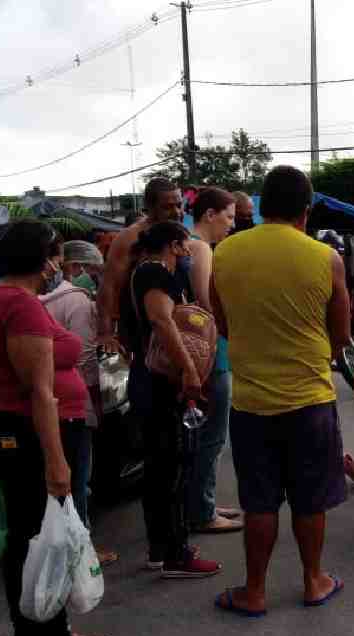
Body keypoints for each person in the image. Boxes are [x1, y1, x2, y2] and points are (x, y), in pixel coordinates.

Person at [211, 165, 352, 614]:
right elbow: (343, 335)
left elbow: (223, 323)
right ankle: (313, 580)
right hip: (310, 399)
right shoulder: (324, 258)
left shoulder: (225, 253)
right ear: (305, 212)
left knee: (259, 501)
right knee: (310, 499)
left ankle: (254, 591)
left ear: (259, 207)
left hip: (251, 402)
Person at [0, 221, 110, 636]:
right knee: (42, 538)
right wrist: (56, 462)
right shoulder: (20, 307)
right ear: (41, 259)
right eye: (54, 255)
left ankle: (32, 632)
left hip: (9, 426)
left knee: (26, 535)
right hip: (29, 431)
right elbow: (39, 393)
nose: (57, 265)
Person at [120, 221, 224, 579]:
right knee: (171, 468)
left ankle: (160, 549)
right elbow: (162, 323)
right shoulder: (154, 273)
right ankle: (175, 554)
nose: (189, 256)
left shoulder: (143, 271)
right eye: (186, 248)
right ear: (177, 247)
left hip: (152, 380)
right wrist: (190, 371)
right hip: (160, 382)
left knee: (161, 469)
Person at [41, 241, 118, 566]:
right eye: (96, 272)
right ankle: (81, 548)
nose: (98, 280)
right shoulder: (77, 301)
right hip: (73, 401)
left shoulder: (42, 300)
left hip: (49, 399)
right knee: (78, 477)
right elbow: (85, 357)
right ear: (77, 268)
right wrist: (93, 402)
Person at [185, 187, 243, 535]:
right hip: (210, 354)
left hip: (203, 354)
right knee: (212, 436)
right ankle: (202, 511)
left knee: (205, 436)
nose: (232, 225)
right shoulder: (201, 247)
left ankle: (202, 502)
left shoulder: (189, 245)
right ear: (209, 215)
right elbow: (205, 303)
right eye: (229, 216)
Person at [97, 177, 184, 353]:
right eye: (167, 207)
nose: (176, 212)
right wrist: (106, 334)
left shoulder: (180, 234)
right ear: (149, 209)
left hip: (177, 329)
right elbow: (109, 287)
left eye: (179, 205)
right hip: (139, 334)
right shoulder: (129, 238)